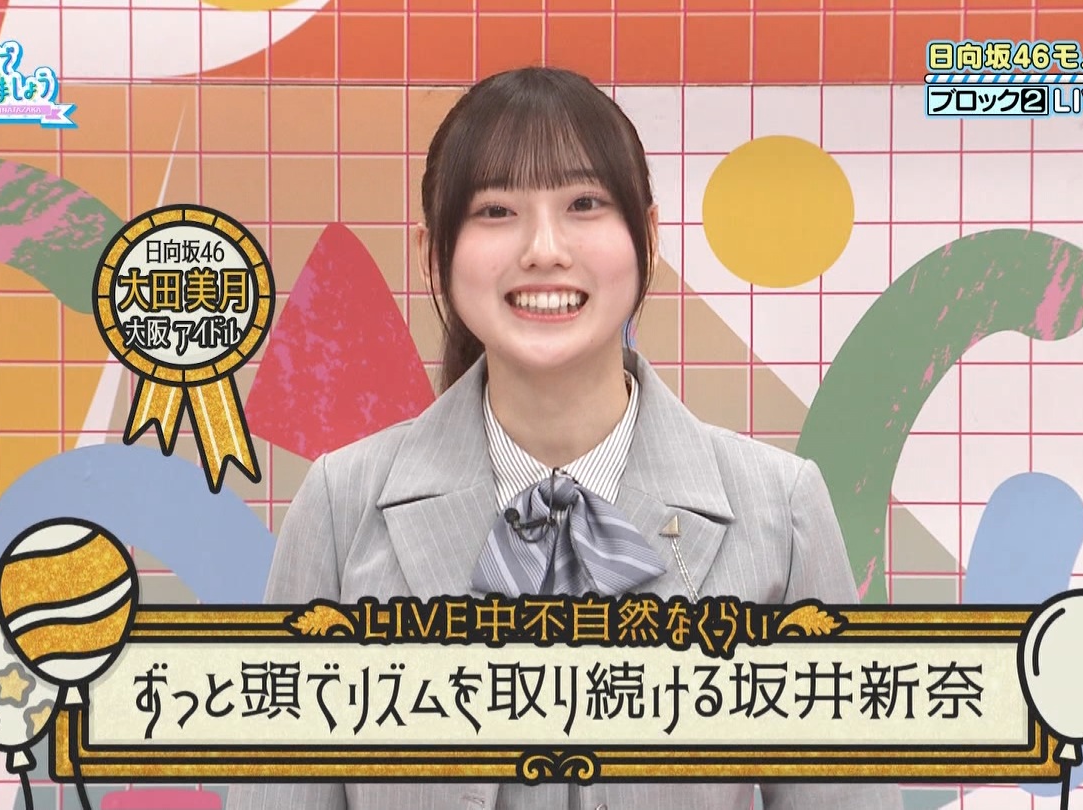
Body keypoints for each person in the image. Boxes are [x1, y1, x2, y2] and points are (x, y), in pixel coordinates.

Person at [227, 66, 903, 810]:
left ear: (648, 235)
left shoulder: (780, 509)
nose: (544, 249)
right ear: (432, 253)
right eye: (495, 210)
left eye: (584, 203)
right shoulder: (341, 507)